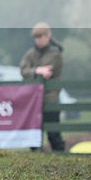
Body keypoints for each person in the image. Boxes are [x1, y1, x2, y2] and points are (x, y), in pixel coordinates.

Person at [20, 22, 66, 152]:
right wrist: (36, 71)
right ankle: (35, 160)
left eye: (40, 37)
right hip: (33, 100)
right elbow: (23, 70)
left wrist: (34, 71)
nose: (38, 40)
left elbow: (48, 71)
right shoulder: (31, 54)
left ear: (48, 36)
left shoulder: (55, 54)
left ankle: (61, 157)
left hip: (50, 98)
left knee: (53, 134)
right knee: (33, 134)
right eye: (36, 37)